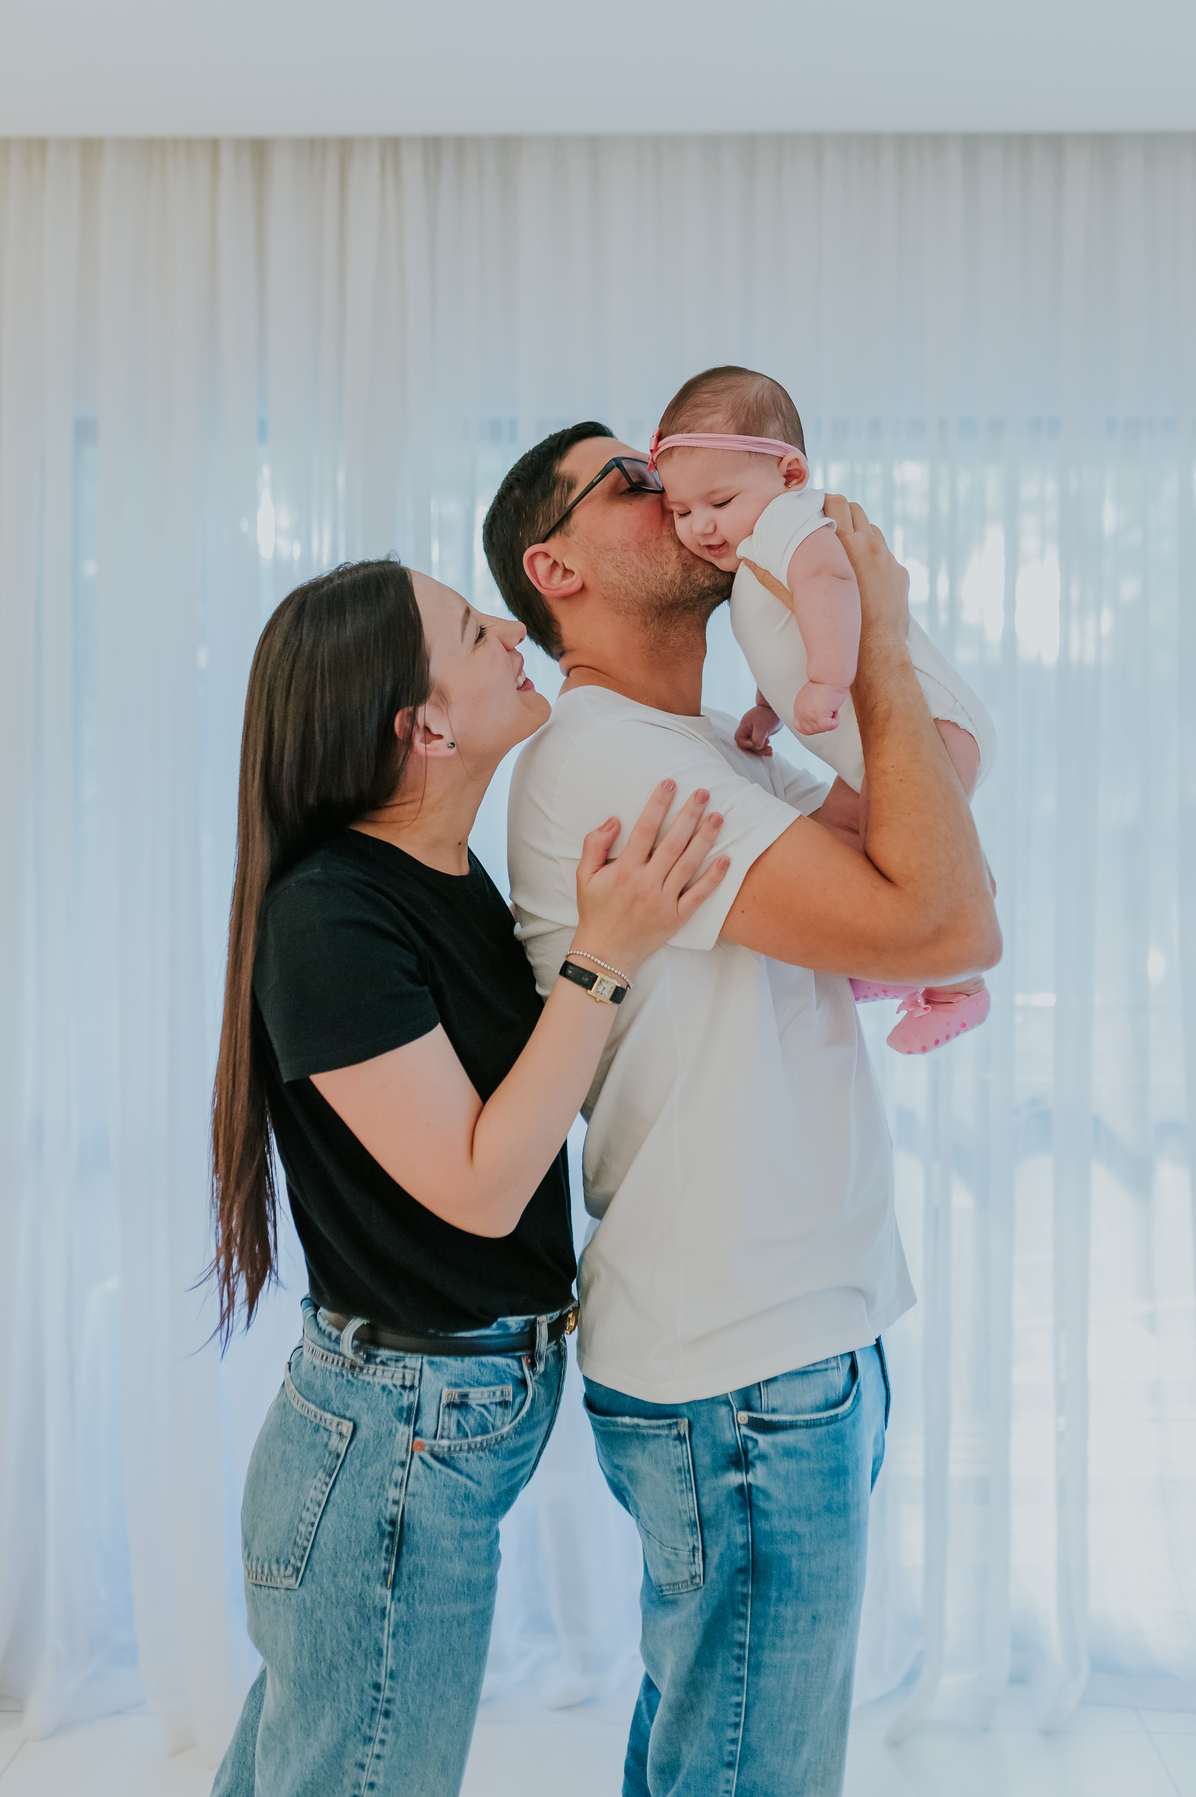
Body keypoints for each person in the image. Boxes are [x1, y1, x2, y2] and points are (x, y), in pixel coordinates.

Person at [482, 425, 1000, 1797]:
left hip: (790, 1345)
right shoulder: (607, 757)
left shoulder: (709, 743)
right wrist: (873, 645)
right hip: (742, 1368)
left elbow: (933, 828)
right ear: (555, 569)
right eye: (635, 484)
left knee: (713, 1755)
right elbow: (946, 920)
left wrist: (848, 637)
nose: (685, 498)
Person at [208, 556, 728, 1797]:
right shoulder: (330, 916)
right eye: (468, 627)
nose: (508, 627)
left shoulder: (442, 874)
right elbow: (483, 1185)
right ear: (424, 727)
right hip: (393, 1440)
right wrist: (604, 956)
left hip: (429, 1425)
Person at [651, 363, 997, 1054]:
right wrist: (769, 709)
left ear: (789, 474)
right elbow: (786, 635)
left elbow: (831, 585)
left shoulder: (788, 523)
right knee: (840, 834)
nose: (700, 526)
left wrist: (828, 684)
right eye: (681, 512)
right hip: (880, 743)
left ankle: (957, 984)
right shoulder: (757, 550)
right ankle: (886, 958)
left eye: (719, 500)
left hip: (928, 725)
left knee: (926, 855)